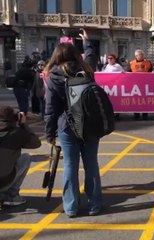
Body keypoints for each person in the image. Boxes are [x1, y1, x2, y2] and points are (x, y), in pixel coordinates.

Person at [44, 32, 103, 217]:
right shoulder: (86, 69)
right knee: (91, 164)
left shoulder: (53, 77)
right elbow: (91, 55)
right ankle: (94, 204)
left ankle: (71, 207)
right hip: (90, 124)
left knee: (70, 165)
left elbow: (51, 108)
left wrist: (49, 133)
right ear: (77, 55)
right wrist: (86, 40)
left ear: (56, 57)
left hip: (67, 125)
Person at [0, 106, 41, 207]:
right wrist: (23, 125)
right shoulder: (17, 133)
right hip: (4, 182)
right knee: (26, 157)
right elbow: (36, 143)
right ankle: (10, 195)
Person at [128, 49, 152, 120]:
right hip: (135, 85)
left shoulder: (148, 63)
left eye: (142, 55)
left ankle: (145, 115)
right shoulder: (131, 63)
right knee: (136, 100)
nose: (141, 56)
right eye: (140, 55)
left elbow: (151, 73)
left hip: (145, 84)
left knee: (145, 100)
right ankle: (136, 115)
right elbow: (128, 73)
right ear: (136, 56)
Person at [102, 54, 124, 121]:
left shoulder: (117, 66)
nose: (109, 59)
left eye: (111, 58)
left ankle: (117, 114)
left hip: (116, 86)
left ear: (114, 59)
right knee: (109, 100)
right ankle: (110, 114)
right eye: (108, 58)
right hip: (108, 86)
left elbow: (123, 73)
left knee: (116, 99)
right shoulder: (106, 66)